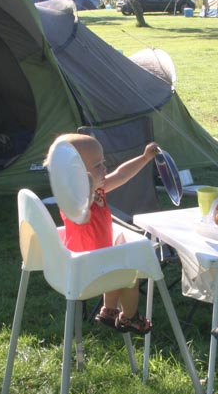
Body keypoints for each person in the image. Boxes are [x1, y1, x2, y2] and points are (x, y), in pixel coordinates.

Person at [46, 133, 161, 334]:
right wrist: (88, 188)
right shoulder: (75, 203)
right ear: (77, 174)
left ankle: (109, 310)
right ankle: (129, 317)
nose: (105, 168)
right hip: (86, 265)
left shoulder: (98, 191)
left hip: (99, 259)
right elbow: (82, 213)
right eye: (98, 165)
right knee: (130, 277)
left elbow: (122, 175)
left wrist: (144, 158)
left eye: (103, 162)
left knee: (115, 262)